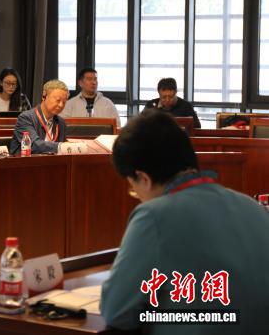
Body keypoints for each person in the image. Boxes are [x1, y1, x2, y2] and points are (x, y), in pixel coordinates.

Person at [101, 110, 269, 333]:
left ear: (143, 178)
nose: (137, 195)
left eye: (133, 188)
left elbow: (116, 311)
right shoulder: (252, 207)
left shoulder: (153, 216)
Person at [9, 79, 68, 155]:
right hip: (25, 161)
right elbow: (33, 145)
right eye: (58, 100)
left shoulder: (61, 122)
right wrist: (61, 146)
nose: (61, 105)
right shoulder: (25, 118)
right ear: (44, 97)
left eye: (64, 102)